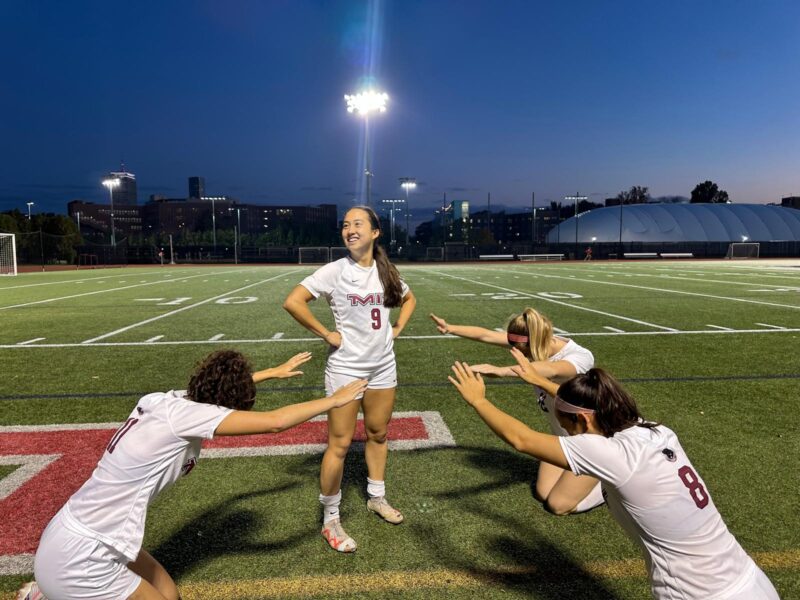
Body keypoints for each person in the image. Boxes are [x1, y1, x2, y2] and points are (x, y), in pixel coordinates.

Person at [19, 350, 367, 600]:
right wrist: (334, 400)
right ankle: (50, 592)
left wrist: (269, 373)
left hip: (75, 530)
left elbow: (213, 394)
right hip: (84, 556)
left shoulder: (162, 400)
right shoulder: (189, 417)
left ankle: (47, 590)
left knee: (169, 595)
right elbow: (275, 423)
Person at [448, 354, 780, 600]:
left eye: (566, 424)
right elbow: (592, 407)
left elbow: (521, 439)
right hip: (751, 581)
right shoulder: (654, 431)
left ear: (582, 420)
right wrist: (539, 381)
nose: (565, 430)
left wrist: (478, 400)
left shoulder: (611, 455)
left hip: (700, 595)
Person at [283, 206, 417, 553]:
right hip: (346, 369)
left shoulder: (385, 270)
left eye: (358, 224)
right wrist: (326, 333)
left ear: (375, 232)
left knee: (378, 433)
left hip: (383, 367)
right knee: (340, 445)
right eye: (345, 225)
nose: (350, 230)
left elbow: (409, 298)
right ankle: (330, 519)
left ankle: (376, 497)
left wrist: (397, 328)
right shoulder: (335, 271)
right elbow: (293, 301)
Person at [429, 309, 603, 515]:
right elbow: (486, 334)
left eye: (521, 350)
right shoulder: (532, 340)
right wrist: (450, 328)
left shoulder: (578, 357)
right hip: (564, 438)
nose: (519, 354)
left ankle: (610, 479)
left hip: (595, 441)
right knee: (543, 493)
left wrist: (500, 371)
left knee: (558, 505)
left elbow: (552, 370)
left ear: (533, 342)